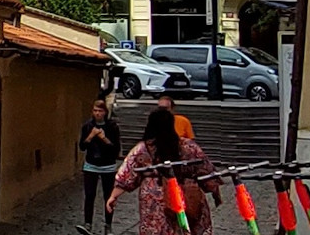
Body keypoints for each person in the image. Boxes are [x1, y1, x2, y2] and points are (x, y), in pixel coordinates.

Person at [109, 108, 221, 235]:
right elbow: (205, 170)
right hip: (186, 192)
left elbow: (127, 174)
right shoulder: (189, 147)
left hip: (155, 197)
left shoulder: (143, 149)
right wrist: (214, 191)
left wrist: (113, 196)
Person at [77, 97, 122, 235]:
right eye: (95, 111)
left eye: (100, 111)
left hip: (108, 166)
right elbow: (82, 147)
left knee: (108, 196)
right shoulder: (88, 126)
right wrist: (90, 136)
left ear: (105, 112)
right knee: (89, 195)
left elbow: (116, 149)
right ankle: (88, 223)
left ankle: (108, 225)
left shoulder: (112, 127)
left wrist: (104, 139)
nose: (97, 113)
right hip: (91, 165)